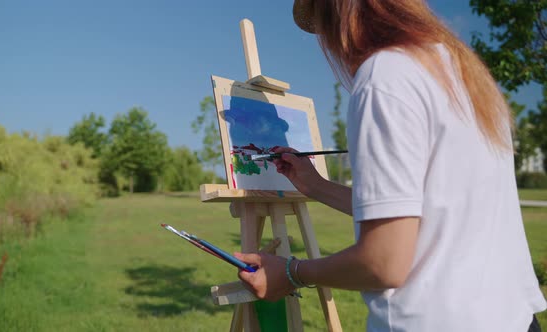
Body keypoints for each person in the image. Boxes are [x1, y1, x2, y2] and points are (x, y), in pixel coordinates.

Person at [233, 0, 547, 331]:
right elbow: (427, 212)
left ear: (338, 12)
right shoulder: (461, 72)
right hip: (514, 318)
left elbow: (384, 262)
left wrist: (290, 273)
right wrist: (317, 187)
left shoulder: (385, 76)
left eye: (322, 25)